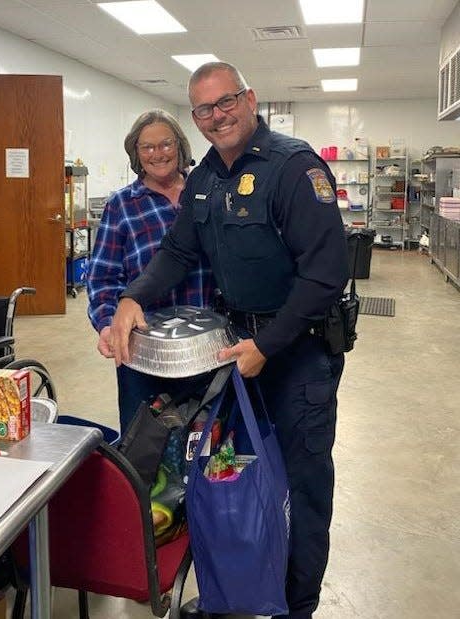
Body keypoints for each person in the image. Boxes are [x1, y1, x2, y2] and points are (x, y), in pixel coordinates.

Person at [109, 63, 349, 618]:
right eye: (204, 109)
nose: (217, 117)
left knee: (302, 487)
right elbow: (177, 252)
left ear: (250, 98)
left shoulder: (293, 167)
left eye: (226, 102)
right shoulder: (206, 177)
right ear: (195, 118)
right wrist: (132, 298)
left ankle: (295, 608)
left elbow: (325, 274)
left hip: (298, 355)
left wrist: (268, 347)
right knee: (238, 475)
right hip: (238, 352)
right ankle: (243, 595)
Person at [87, 109, 214, 434]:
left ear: (180, 147)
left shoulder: (205, 195)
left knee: (210, 445)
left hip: (208, 348)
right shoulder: (122, 205)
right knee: (144, 449)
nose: (158, 153)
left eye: (166, 144)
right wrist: (107, 324)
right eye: (147, 147)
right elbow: (102, 280)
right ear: (137, 154)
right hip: (145, 352)